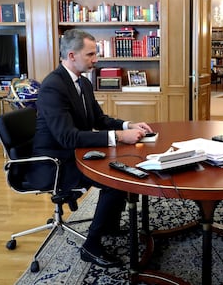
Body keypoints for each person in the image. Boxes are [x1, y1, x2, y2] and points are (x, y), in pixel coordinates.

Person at [28, 29, 153, 268]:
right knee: (115, 180)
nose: (96, 59)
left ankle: (110, 228)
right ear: (72, 55)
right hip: (53, 162)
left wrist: (128, 125)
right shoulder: (53, 86)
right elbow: (66, 137)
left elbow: (98, 119)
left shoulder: (83, 82)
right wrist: (118, 136)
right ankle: (91, 246)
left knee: (124, 169)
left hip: (74, 152)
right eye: (91, 54)